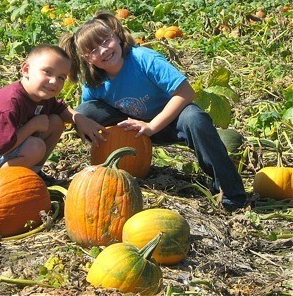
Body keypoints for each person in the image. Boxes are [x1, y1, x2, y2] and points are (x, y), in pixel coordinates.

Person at [59, 12, 247, 212]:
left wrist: (152, 126)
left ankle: (231, 192)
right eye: (94, 50)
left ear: (116, 35)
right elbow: (89, 114)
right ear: (87, 58)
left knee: (195, 118)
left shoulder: (143, 59)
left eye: (106, 41)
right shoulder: (94, 81)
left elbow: (186, 92)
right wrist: (81, 122)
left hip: (171, 121)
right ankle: (120, 169)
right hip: (133, 129)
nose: (103, 50)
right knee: (86, 113)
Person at [0, 44, 105, 186]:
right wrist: (32, 126)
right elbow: (1, 147)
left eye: (61, 77)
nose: (54, 81)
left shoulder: (40, 96)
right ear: (26, 69)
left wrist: (79, 118)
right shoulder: (9, 103)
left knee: (55, 122)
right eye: (47, 72)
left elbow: (59, 108)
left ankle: (33, 174)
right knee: (35, 147)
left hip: (0, 149)